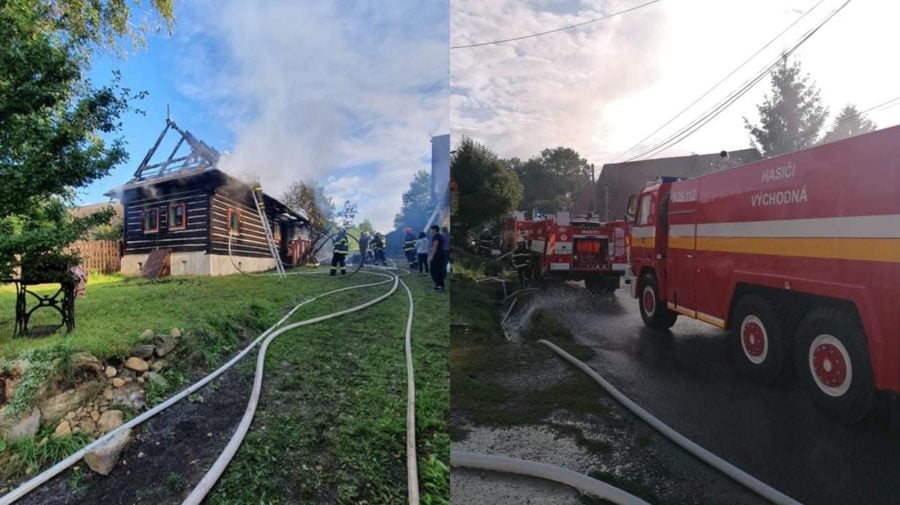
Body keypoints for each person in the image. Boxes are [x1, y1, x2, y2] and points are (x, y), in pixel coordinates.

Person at [428, 224, 446, 292]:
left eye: (431, 229)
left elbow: (435, 248)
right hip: (441, 255)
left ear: (434, 229)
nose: (430, 231)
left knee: (434, 271)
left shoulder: (436, 237)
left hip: (437, 256)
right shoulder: (440, 236)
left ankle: (439, 286)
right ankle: (440, 285)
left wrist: (431, 257)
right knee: (439, 271)